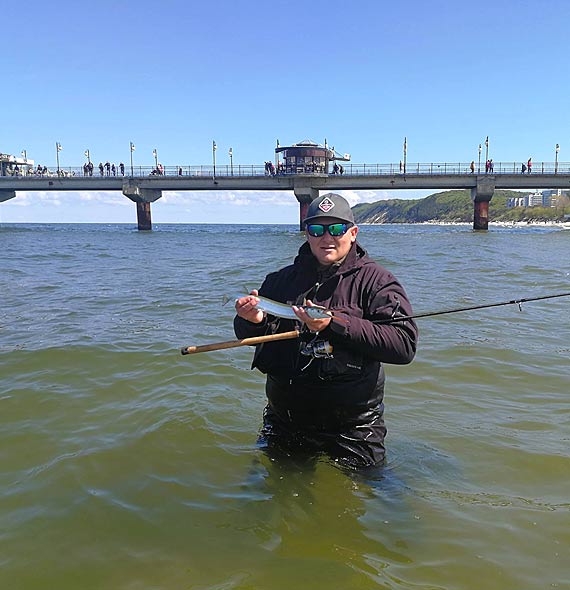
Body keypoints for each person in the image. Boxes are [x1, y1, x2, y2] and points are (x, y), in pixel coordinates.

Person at [233, 193, 418, 469]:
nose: (326, 237)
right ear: (307, 234)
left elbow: (404, 345)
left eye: (337, 228)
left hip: (354, 427)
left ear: (353, 233)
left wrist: (334, 324)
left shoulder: (378, 281)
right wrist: (252, 320)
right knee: (273, 498)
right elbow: (248, 335)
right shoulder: (279, 280)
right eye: (317, 229)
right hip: (286, 420)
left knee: (366, 500)